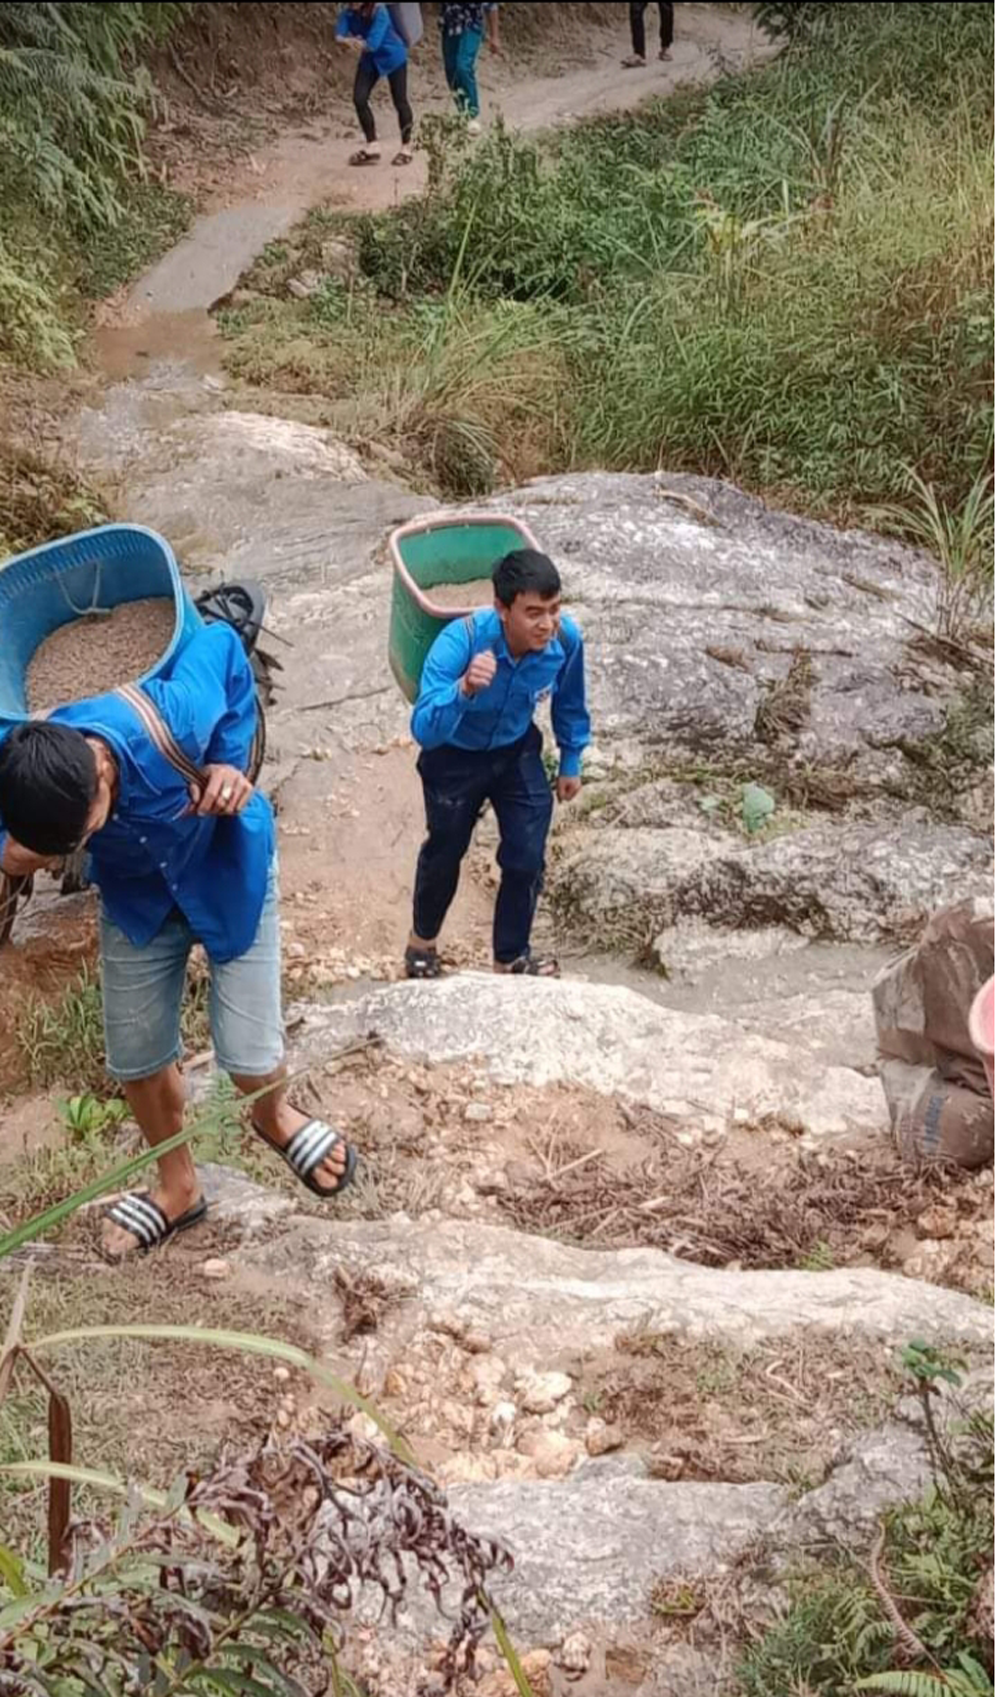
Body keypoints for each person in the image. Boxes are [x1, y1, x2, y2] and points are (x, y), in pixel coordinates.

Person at [0, 622, 357, 1263]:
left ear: (102, 771)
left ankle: (273, 1117)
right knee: (135, 1055)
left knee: (248, 1053)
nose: (68, 854)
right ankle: (177, 1186)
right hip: (139, 899)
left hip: (227, 871)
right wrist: (9, 854)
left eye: (80, 833)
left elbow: (220, 644)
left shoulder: (172, 715)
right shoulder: (18, 748)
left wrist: (228, 757)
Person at [405, 548, 589, 980]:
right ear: (502, 609)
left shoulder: (564, 640)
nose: (546, 623)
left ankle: (509, 958)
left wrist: (571, 758)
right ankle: (422, 943)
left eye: (553, 609)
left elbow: (570, 699)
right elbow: (424, 729)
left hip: (515, 748)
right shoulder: (460, 641)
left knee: (526, 857)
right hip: (454, 754)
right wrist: (465, 689)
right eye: (533, 612)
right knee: (445, 851)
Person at [335, 2, 414, 166]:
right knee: (359, 98)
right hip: (370, 60)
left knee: (400, 101)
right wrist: (348, 40)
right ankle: (372, 146)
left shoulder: (380, 11)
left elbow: (373, 44)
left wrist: (351, 42)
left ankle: (406, 147)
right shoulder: (348, 12)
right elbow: (339, 35)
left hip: (393, 57)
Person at [438, 2, 500, 135]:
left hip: (470, 25)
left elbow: (491, 6)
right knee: (451, 70)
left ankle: (472, 113)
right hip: (449, 27)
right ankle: (463, 113)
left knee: (463, 66)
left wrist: (495, 36)